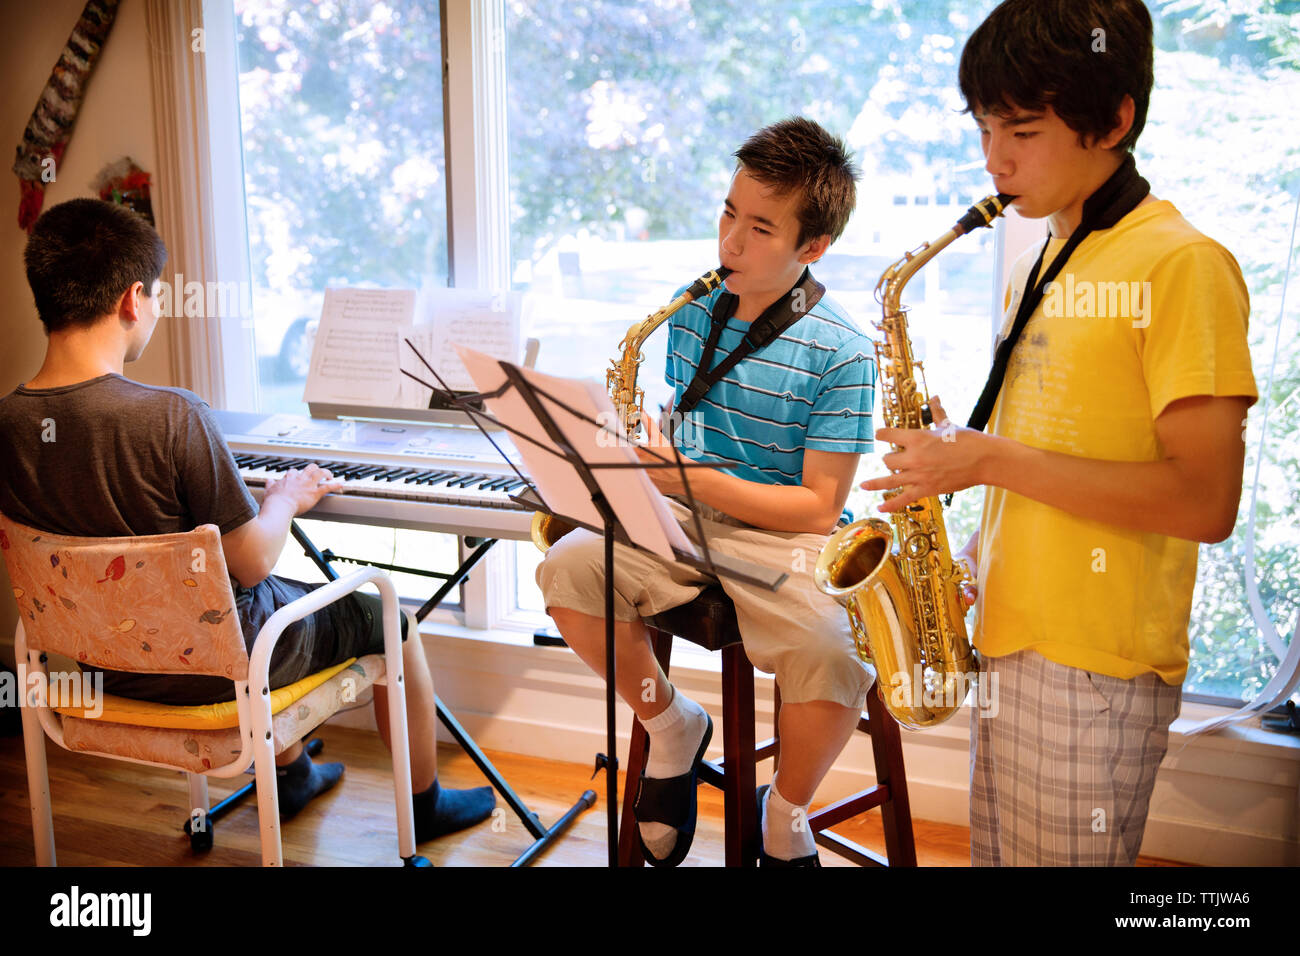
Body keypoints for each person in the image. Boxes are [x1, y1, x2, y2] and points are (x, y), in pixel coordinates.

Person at [863, 0, 1258, 865]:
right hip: (1012, 633)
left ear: (1113, 119)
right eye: (984, 127)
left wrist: (991, 458)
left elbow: (1205, 501)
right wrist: (968, 532)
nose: (995, 159)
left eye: (1024, 129)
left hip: (1096, 664)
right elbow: (1059, 451)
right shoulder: (1047, 250)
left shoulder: (1182, 264)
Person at [0, 197, 494, 841]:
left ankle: (294, 776)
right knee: (383, 615)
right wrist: (283, 500)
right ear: (131, 300)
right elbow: (254, 559)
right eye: (154, 298)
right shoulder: (173, 416)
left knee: (240, 605)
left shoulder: (9, 425)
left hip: (99, 669)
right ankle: (423, 806)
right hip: (213, 673)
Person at [538, 117, 873, 866]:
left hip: (786, 536)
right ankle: (671, 726)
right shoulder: (693, 309)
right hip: (684, 518)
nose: (729, 242)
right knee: (565, 571)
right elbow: (682, 427)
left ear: (812, 247)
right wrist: (637, 456)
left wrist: (685, 476)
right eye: (727, 213)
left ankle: (785, 810)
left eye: (759, 229)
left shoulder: (844, 352)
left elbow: (820, 506)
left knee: (832, 651)